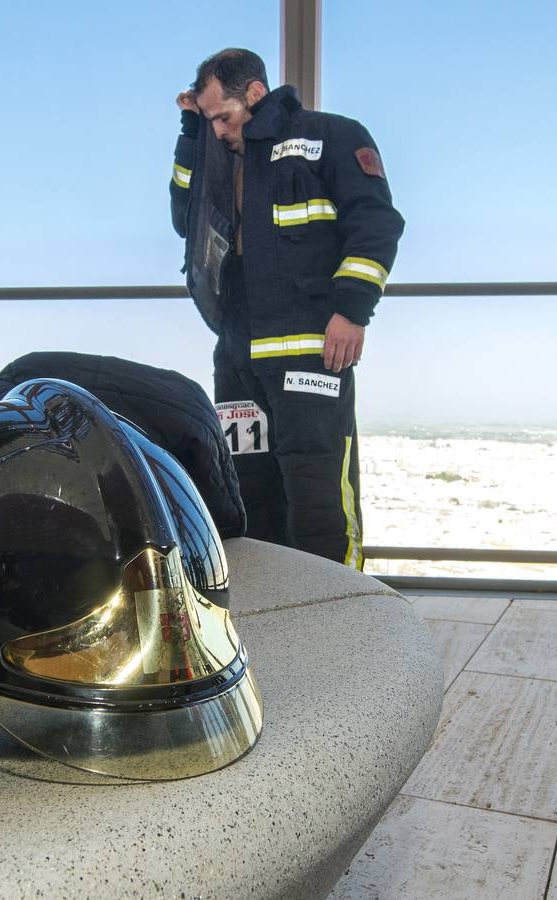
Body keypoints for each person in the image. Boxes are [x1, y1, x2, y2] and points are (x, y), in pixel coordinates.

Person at [169, 48, 404, 568]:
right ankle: (281, 628)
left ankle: (344, 625)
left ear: (255, 93)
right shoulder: (217, 155)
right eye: (209, 121)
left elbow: (377, 224)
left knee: (318, 502)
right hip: (237, 362)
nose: (220, 131)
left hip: (311, 356)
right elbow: (184, 222)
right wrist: (191, 132)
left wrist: (352, 312)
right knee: (250, 498)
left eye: (222, 118)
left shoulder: (333, 137)